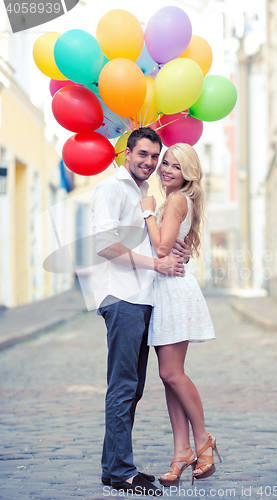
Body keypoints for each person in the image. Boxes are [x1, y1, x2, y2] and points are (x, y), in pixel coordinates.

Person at [90, 128, 190, 496]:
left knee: (132, 390)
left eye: (154, 157)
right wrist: (154, 264)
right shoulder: (111, 189)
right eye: (142, 155)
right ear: (127, 154)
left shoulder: (144, 194)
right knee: (123, 386)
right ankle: (123, 472)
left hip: (144, 298)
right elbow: (103, 244)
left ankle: (112, 467)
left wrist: (174, 254)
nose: (149, 162)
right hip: (122, 297)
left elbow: (156, 244)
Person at [140, 143, 221, 488]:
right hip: (167, 287)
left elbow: (160, 248)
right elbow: (170, 248)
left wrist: (147, 213)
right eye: (165, 163)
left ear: (188, 172)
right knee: (168, 376)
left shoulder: (174, 200)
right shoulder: (175, 201)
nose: (166, 169)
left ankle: (202, 439)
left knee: (172, 373)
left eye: (175, 166)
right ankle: (181, 452)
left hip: (172, 291)